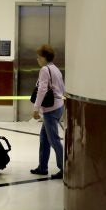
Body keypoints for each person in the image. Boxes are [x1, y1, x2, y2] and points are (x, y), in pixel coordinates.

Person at [30, 44, 65, 180]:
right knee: (44, 138)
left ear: (45, 58)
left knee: (54, 140)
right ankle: (42, 167)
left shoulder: (45, 69)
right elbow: (62, 87)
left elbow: (42, 89)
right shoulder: (55, 69)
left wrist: (36, 109)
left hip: (50, 109)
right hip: (58, 106)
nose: (37, 59)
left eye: (39, 57)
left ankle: (64, 169)